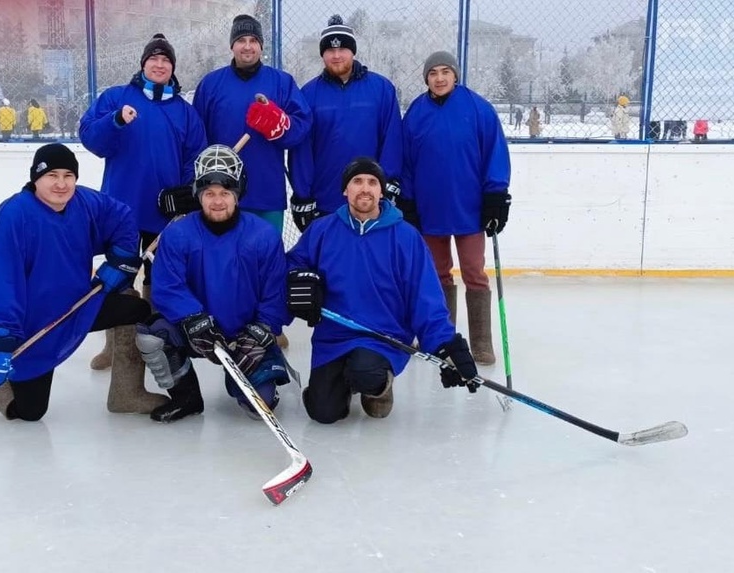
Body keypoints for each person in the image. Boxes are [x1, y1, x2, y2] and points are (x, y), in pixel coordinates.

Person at [0, 143, 168, 420]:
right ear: (35, 178)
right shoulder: (13, 217)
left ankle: (126, 392)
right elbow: (2, 283)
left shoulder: (84, 202)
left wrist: (120, 261)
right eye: (52, 176)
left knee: (134, 309)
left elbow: (122, 216)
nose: (61, 184)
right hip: (35, 324)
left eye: (68, 175)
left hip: (79, 305)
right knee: (29, 412)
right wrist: (2, 338)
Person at [285, 157, 479, 423]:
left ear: (381, 190)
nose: (365, 188)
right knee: (323, 412)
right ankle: (344, 383)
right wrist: (298, 278)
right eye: (357, 181)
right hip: (334, 336)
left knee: (367, 373)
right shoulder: (322, 229)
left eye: (372, 182)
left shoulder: (406, 237)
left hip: (383, 336)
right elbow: (294, 263)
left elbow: (425, 298)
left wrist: (446, 346)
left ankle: (377, 388)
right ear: (345, 190)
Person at [80, 33, 207, 370]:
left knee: (161, 277)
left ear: (173, 68)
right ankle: (116, 346)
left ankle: (153, 341)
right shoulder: (117, 98)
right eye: (154, 58)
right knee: (117, 275)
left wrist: (183, 195)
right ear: (143, 64)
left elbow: (194, 158)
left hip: (163, 213)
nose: (160, 64)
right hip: (120, 209)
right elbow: (91, 138)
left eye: (166, 60)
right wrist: (116, 121)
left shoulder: (185, 112)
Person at [139, 144, 291, 423]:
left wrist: (262, 330)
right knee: (153, 336)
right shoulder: (178, 235)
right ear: (198, 195)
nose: (217, 201)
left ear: (238, 194)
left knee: (261, 406)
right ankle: (187, 399)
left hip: (247, 335)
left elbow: (276, 293)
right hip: (201, 331)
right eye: (209, 193)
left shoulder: (263, 236)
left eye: (225, 193)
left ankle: (259, 375)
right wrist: (193, 317)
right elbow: (167, 286)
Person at [192, 14, 311, 347]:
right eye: (241, 40)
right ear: (232, 45)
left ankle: (269, 323)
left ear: (261, 46)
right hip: (221, 193)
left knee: (268, 261)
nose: (247, 46)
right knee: (224, 261)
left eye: (253, 41)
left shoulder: (281, 82)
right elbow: (195, 136)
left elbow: (301, 128)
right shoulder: (211, 85)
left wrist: (280, 122)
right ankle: (224, 320)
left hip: (266, 189)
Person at [401, 51, 511, 365]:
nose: (439, 78)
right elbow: (406, 162)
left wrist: (495, 195)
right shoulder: (416, 114)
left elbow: (495, 153)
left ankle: (480, 342)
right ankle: (442, 338)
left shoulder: (478, 109)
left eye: (445, 71)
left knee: (475, 273)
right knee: (437, 275)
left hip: (470, 209)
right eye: (433, 73)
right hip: (429, 208)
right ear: (426, 78)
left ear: (455, 75)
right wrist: (407, 199)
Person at [287, 15, 404, 233]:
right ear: (323, 54)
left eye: (343, 49)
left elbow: (392, 139)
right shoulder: (309, 94)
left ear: (353, 51)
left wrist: (388, 180)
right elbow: (302, 149)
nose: (337, 55)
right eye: (330, 50)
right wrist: (303, 194)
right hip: (325, 201)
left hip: (369, 199)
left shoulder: (381, 89)